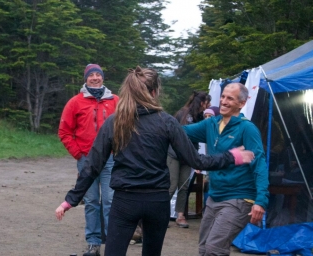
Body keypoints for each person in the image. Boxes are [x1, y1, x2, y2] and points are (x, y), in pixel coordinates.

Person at [55, 67, 255, 256]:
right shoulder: (166, 121)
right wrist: (231, 157)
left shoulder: (114, 121)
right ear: (154, 92)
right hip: (156, 202)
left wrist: (70, 200)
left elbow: (92, 165)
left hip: (125, 201)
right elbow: (196, 160)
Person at [183, 83, 269, 256]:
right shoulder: (211, 124)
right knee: (204, 247)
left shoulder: (247, 129)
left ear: (241, 103)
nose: (223, 101)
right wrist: (158, 122)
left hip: (239, 198)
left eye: (230, 98)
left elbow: (259, 163)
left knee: (215, 248)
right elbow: (181, 132)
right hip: (214, 196)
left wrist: (261, 200)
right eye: (222, 96)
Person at [58, 64, 118, 256]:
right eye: (91, 75)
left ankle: (113, 244)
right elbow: (64, 131)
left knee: (110, 201)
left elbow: (126, 126)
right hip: (86, 159)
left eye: (97, 75)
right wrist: (78, 154)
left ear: (102, 78)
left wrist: (120, 151)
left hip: (110, 159)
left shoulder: (115, 101)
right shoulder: (75, 102)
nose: (94, 78)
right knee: (92, 202)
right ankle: (93, 243)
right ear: (86, 79)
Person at [167, 91, 211, 228]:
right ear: (201, 102)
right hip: (174, 154)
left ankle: (180, 215)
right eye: (207, 102)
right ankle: (160, 214)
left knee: (184, 185)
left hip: (188, 156)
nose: (208, 105)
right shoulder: (183, 113)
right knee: (171, 185)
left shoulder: (201, 117)